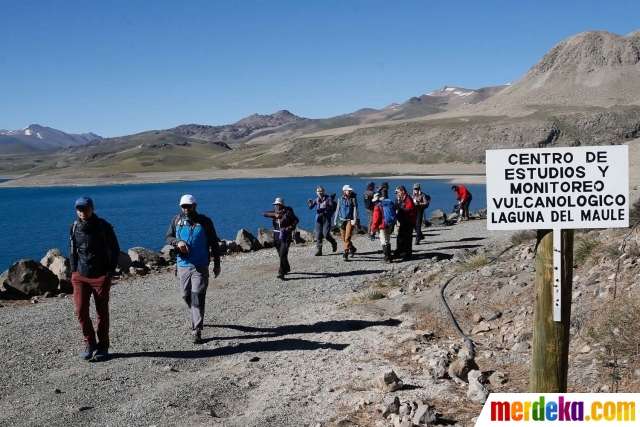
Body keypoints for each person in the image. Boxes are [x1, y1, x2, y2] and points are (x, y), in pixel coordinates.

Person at [69, 196, 120, 361]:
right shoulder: (74, 227)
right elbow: (72, 250)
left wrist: (109, 273)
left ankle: (103, 346)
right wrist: (73, 272)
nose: (82, 212)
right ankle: (89, 343)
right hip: (80, 276)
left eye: (85, 209)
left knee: (102, 313)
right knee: (81, 311)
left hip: (100, 276)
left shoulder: (103, 227)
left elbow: (115, 250)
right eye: (79, 209)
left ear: (92, 208)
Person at [166, 194, 221, 344]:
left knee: (198, 296)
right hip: (182, 265)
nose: (186, 209)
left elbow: (214, 244)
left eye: (188, 206)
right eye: (183, 206)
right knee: (186, 295)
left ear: (195, 206)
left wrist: (217, 264)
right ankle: (196, 312)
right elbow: (168, 237)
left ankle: (196, 330)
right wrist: (178, 242)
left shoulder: (205, 222)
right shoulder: (176, 220)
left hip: (200, 266)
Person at [264, 197, 299, 279]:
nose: (277, 206)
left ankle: (281, 272)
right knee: (281, 255)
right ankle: (286, 267)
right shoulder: (274, 212)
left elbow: (296, 220)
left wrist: (291, 227)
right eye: (276, 205)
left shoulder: (288, 212)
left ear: (282, 205)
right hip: (276, 236)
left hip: (286, 236)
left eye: (278, 204)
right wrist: (274, 215)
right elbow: (264, 213)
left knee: (283, 253)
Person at [308, 186, 338, 256]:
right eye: (318, 191)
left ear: (323, 191)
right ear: (316, 192)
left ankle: (333, 242)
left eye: (321, 191)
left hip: (326, 218)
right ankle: (319, 249)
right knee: (318, 234)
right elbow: (310, 208)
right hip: (318, 218)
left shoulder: (328, 198)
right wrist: (311, 203)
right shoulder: (317, 199)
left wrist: (326, 205)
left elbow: (331, 207)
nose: (320, 193)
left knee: (326, 234)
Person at [334, 184, 359, 261]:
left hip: (350, 220)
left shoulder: (353, 199)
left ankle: (346, 253)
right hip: (342, 220)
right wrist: (335, 220)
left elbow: (355, 210)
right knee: (343, 238)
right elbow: (337, 210)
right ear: (344, 191)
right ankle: (352, 248)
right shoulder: (340, 199)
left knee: (347, 237)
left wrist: (355, 219)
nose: (350, 192)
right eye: (348, 190)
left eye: (350, 191)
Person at [394, 185, 416, 261]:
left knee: (407, 238)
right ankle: (399, 252)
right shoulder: (404, 199)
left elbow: (410, 209)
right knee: (401, 236)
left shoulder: (408, 199)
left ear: (403, 191)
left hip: (408, 221)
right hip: (405, 221)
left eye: (399, 192)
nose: (398, 193)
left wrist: (401, 211)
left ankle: (407, 254)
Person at [369, 193, 393, 263]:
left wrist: (372, 229)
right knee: (388, 241)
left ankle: (387, 258)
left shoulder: (377, 207)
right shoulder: (386, 205)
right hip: (388, 224)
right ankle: (389, 256)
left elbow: (376, 220)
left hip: (382, 226)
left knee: (383, 241)